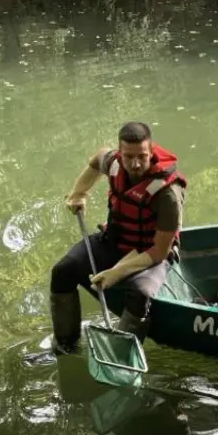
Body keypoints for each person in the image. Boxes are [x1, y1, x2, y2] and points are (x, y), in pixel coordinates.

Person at [48, 121, 186, 353]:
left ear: (150, 152)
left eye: (142, 156)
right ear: (120, 153)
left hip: (149, 254)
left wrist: (116, 273)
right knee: (63, 270)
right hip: (115, 241)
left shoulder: (167, 194)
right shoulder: (113, 162)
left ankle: (121, 356)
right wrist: (78, 193)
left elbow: (159, 251)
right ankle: (65, 346)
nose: (135, 164)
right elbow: (95, 161)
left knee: (140, 293)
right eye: (128, 156)